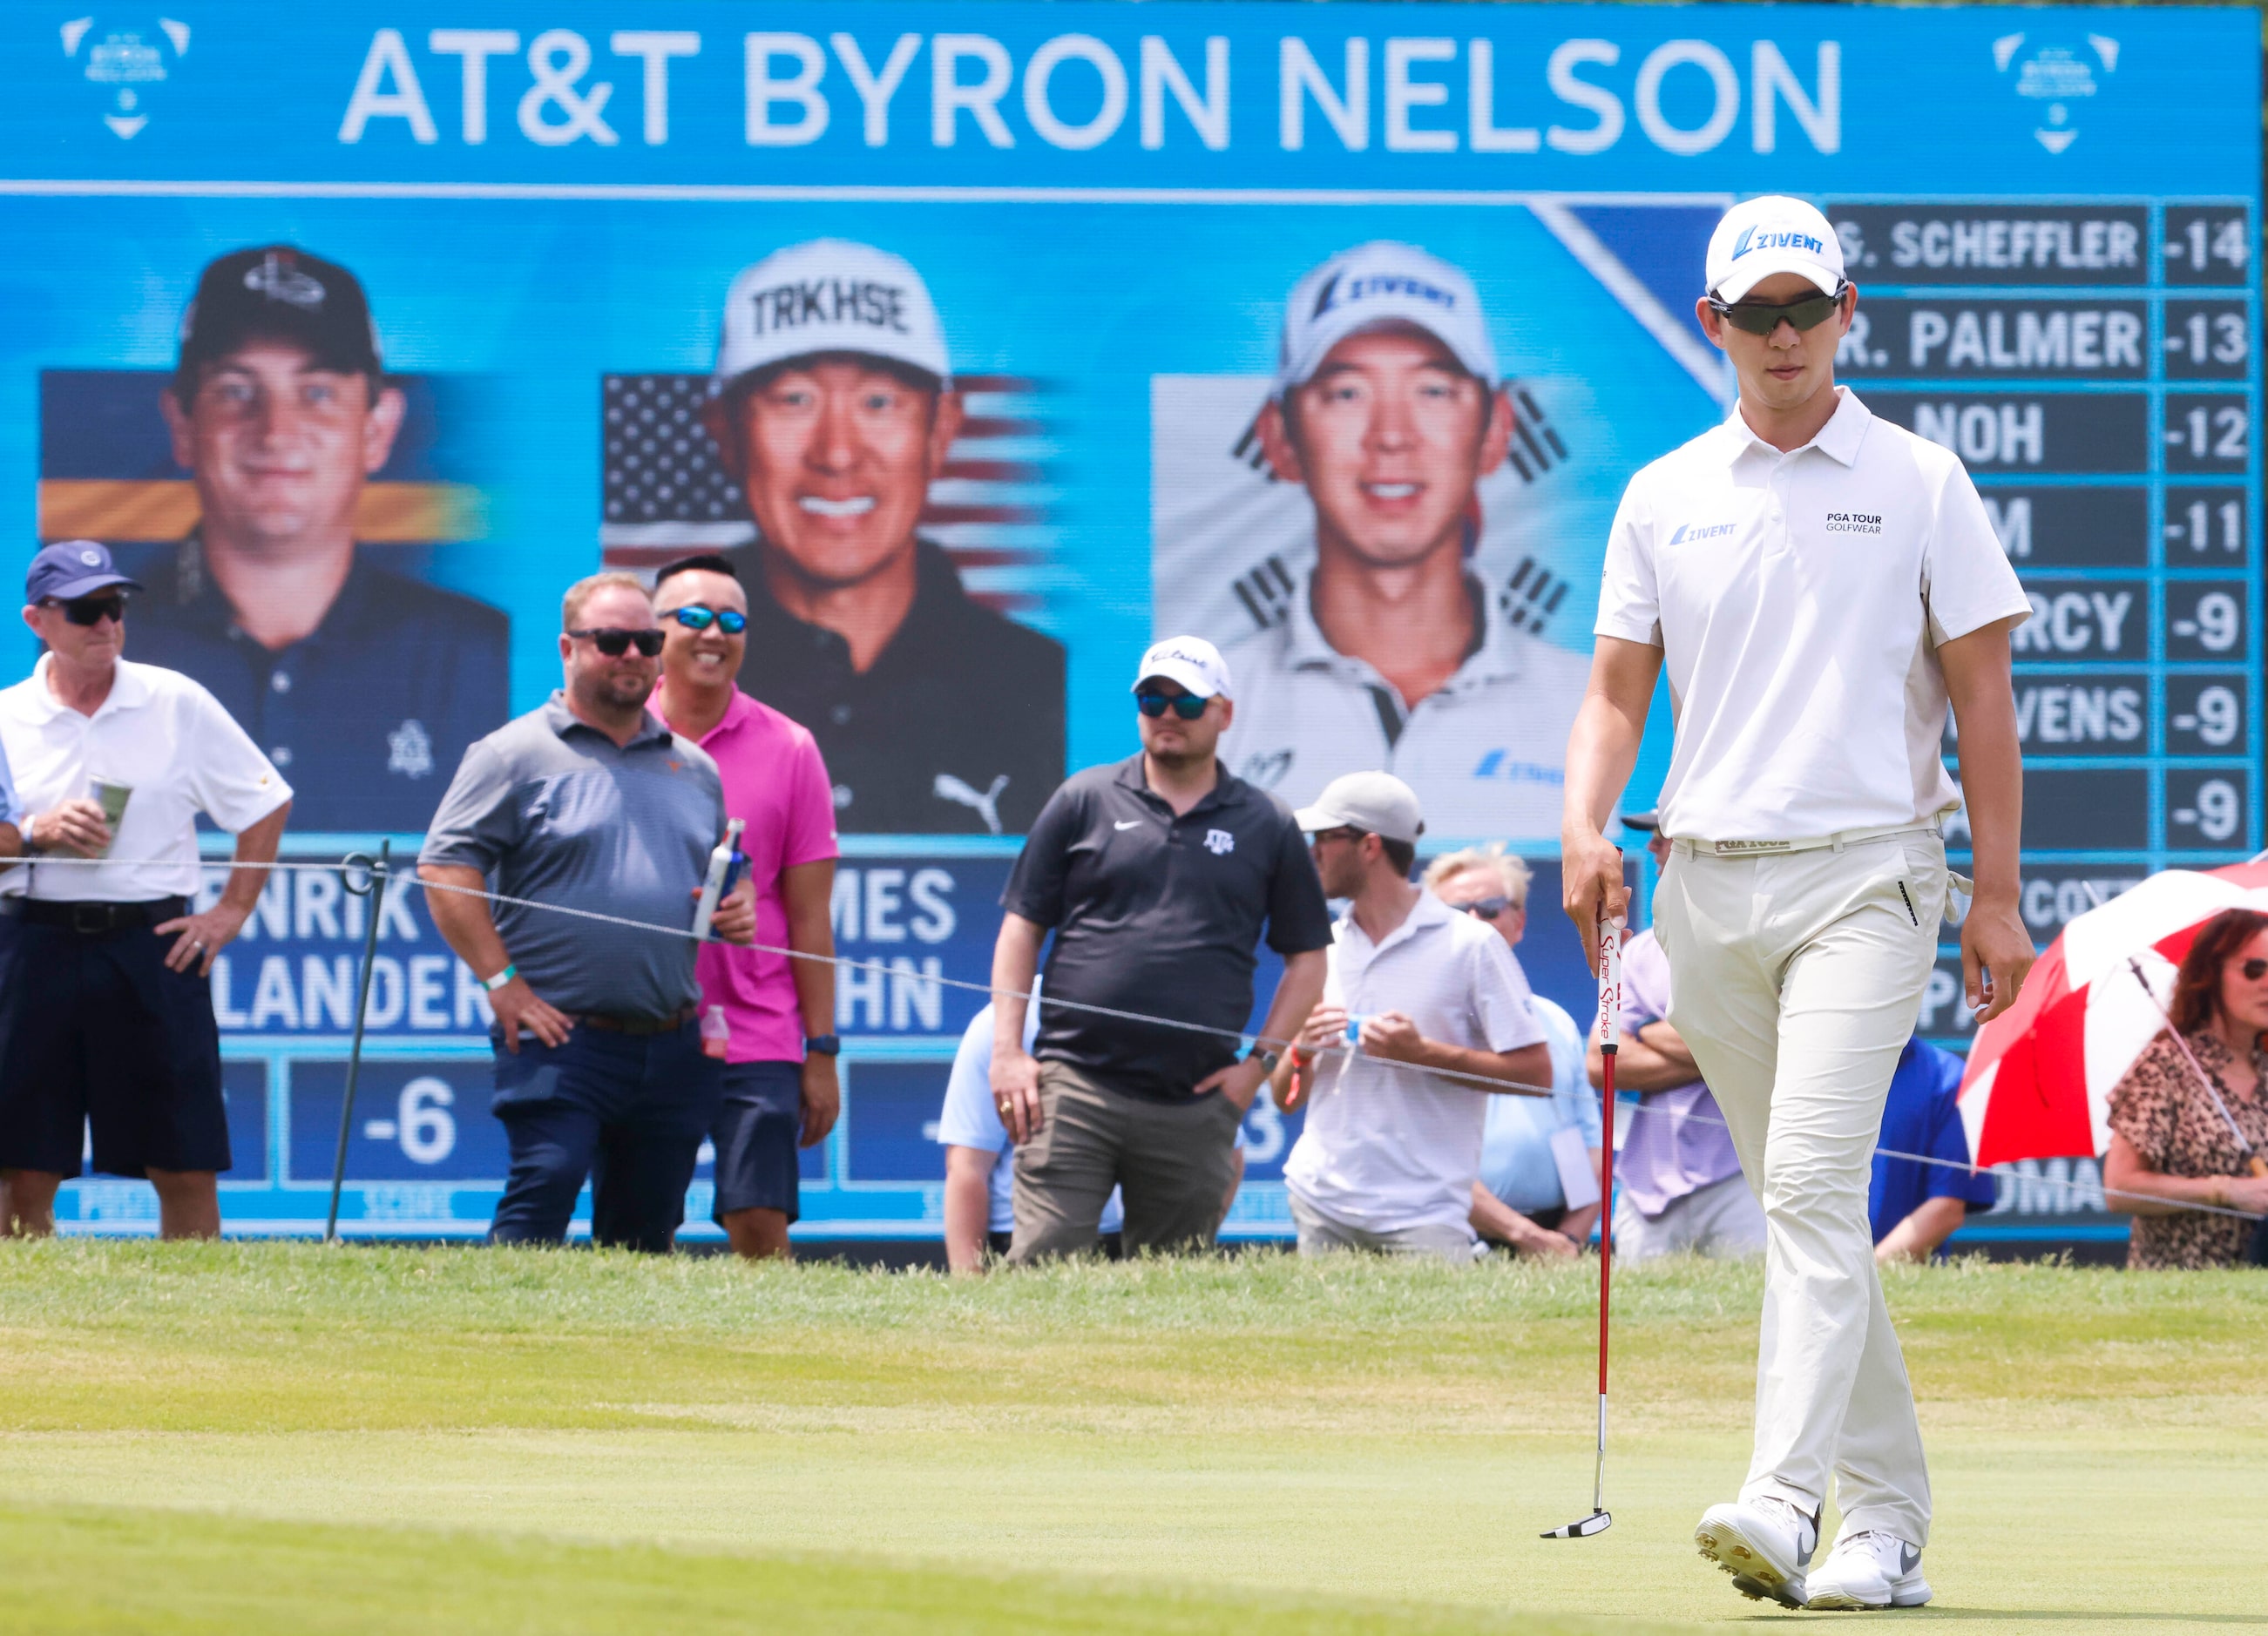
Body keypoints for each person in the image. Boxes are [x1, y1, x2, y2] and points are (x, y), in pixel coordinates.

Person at [1563, 195, 2034, 1612]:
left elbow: (1982, 700)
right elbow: (1610, 689)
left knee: (1815, 1192)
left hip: (1869, 873)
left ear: (1845, 311)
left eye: (1804, 308)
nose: (1782, 335)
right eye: (1754, 312)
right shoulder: (1660, 493)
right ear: (1711, 323)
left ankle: (1778, 1495)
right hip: (1699, 886)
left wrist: (1994, 897)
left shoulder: (1918, 479)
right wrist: (1580, 820)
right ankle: (1883, 1525)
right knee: (1804, 1212)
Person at [419, 572, 755, 1253]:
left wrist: (734, 902)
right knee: (547, 1181)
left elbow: (710, 875)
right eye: (611, 641)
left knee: (647, 1230)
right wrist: (500, 985)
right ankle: (500, 1349)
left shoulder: (693, 768)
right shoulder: (512, 754)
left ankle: (624, 1360)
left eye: (645, 640)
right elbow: (443, 869)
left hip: (671, 1037)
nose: (632, 654)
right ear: (568, 648)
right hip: (561, 1036)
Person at [130, 246, 508, 833]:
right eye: (236, 389)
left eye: (318, 393)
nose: (276, 432)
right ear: (182, 423)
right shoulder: (96, 640)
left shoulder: (478, 657)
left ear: (377, 428)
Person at [1220, 241, 1590, 839]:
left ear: (1496, 429)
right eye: (1346, 394)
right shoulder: (1214, 710)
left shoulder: (1590, 705)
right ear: (1278, 437)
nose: (1391, 437)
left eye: (1432, 391)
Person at [701, 239, 1064, 835]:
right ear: (726, 432)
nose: (837, 452)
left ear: (941, 429)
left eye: (879, 401)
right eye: (794, 400)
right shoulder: (651, 674)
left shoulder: (1042, 684)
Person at [991, 636, 1330, 1261]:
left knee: (1168, 1287)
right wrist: (1007, 1051)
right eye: (1152, 699)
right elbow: (1021, 925)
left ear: (1224, 713)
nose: (1168, 713)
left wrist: (1255, 1069)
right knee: (1041, 1268)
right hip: (1074, 1084)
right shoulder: (1083, 798)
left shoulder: (1267, 822)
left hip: (1196, 1100)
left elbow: (1308, 957)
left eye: (1187, 701)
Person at [0, 539, 291, 1238]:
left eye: (116, 607)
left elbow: (264, 801)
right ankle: (32, 1332)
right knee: (19, 1169)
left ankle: (197, 1330)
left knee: (183, 1161)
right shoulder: (7, 716)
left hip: (149, 944)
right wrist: (35, 829)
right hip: (30, 942)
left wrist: (230, 912)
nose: (106, 624)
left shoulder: (175, 701)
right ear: (37, 620)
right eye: (86, 611)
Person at [646, 553, 839, 1261]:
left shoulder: (791, 748)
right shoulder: (617, 735)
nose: (713, 634)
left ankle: (780, 1364)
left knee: (759, 1220)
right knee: (641, 1230)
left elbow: (812, 918)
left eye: (731, 620)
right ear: (652, 630)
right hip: (643, 1021)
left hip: (759, 1028)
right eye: (693, 617)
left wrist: (821, 1052)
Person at [1274, 774, 1551, 1261]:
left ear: (1370, 846)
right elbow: (1285, 1098)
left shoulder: (1470, 943)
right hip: (1321, 1206)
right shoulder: (1326, 948)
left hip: (1426, 1216)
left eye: (1325, 838)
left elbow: (1536, 1075)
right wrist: (1298, 1054)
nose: (1312, 852)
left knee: (1442, 1343)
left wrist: (1422, 1054)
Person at [1594, 814, 1766, 1262]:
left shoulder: (1763, 940)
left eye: (1665, 836)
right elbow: (1601, 1062)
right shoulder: (1638, 951)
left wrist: (1648, 1033)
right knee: (1643, 1328)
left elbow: (1767, 1045)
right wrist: (1718, 1046)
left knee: (1748, 1322)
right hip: (1649, 1186)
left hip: (1744, 1178)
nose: (1652, 848)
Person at [1423, 847, 1603, 1256]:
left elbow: (1584, 1138)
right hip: (1455, 1238)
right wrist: (1526, 1237)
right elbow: (1424, 1157)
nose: (1473, 922)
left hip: (1555, 1241)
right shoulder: (1421, 1026)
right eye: (1455, 910)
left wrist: (1570, 1238)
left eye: (1489, 908)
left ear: (1518, 922)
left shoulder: (1553, 1019)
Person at [2103, 908, 2268, 1269]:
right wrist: (2226, 1190)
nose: (2267, 982)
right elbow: (2119, 1187)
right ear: (2212, 975)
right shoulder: (2167, 1064)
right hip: (2179, 1290)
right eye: (2254, 969)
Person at [937, 977, 1123, 1271]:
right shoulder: (999, 1026)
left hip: (1145, 1238)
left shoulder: (1178, 1009)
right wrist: (968, 1287)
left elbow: (1216, 1151)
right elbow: (967, 1167)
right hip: (1026, 1238)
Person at [1871, 1037, 1995, 1263]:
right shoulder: (1802, 1070)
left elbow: (1946, 1208)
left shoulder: (1948, 1078)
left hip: (1896, 1283)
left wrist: (1867, 1275)